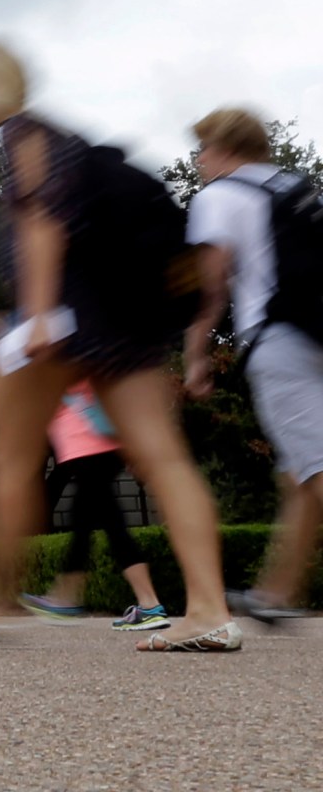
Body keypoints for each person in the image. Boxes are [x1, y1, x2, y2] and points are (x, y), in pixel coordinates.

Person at [0, 43, 238, 651]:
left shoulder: (25, 135)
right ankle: (210, 612)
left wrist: (34, 317)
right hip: (123, 328)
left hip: (65, 324)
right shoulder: (69, 140)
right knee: (165, 460)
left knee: (12, 459)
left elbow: (43, 221)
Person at [185, 108, 323, 629]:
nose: (199, 159)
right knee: (297, 474)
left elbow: (212, 286)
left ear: (224, 148)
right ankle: (275, 592)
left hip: (279, 342)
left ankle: (275, 592)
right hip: (317, 330)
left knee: (315, 470)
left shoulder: (218, 196)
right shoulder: (297, 186)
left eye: (203, 147)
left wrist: (196, 352)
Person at [18, 382, 170, 629]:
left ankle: (147, 604)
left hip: (91, 441)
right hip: (90, 441)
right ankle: (70, 597)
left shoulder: (68, 351)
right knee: (88, 520)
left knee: (106, 522)